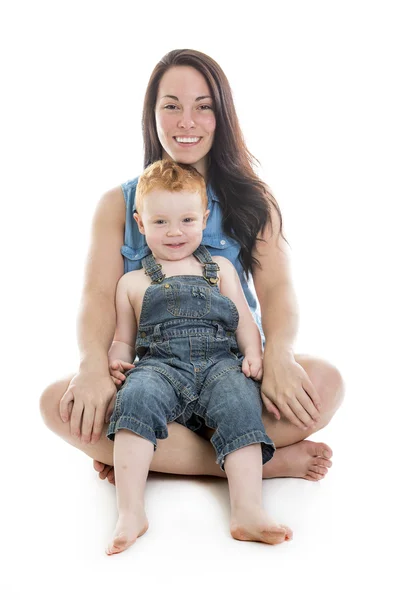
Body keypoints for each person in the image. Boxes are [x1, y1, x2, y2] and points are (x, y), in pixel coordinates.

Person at [40, 48, 344, 491]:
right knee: (56, 404)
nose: (187, 121)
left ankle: (150, 456)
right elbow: (95, 296)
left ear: (222, 116)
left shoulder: (252, 200)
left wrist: (277, 354)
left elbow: (278, 290)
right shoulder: (118, 204)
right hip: (156, 376)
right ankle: (261, 462)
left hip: (236, 373)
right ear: (153, 114)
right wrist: (92, 367)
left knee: (327, 383)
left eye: (203, 107)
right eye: (172, 106)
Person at [105, 159, 292, 554]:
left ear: (205, 218)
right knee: (134, 400)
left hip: (219, 364)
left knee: (240, 401)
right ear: (140, 224)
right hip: (160, 367)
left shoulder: (220, 267)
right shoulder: (132, 281)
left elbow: (243, 319)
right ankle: (130, 510)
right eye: (160, 223)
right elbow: (124, 339)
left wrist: (255, 354)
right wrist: (116, 361)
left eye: (187, 220)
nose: (175, 232)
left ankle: (247, 510)